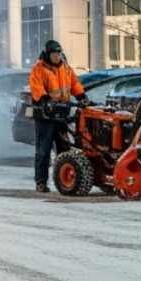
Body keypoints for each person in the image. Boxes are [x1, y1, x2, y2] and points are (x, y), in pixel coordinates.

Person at [27, 39, 86, 193]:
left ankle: (63, 178)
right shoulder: (39, 69)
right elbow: (36, 86)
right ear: (47, 54)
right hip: (46, 115)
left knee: (64, 148)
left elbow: (74, 84)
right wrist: (44, 99)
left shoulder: (66, 68)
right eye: (54, 54)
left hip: (62, 113)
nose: (57, 57)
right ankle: (41, 182)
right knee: (43, 150)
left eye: (58, 53)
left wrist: (81, 97)